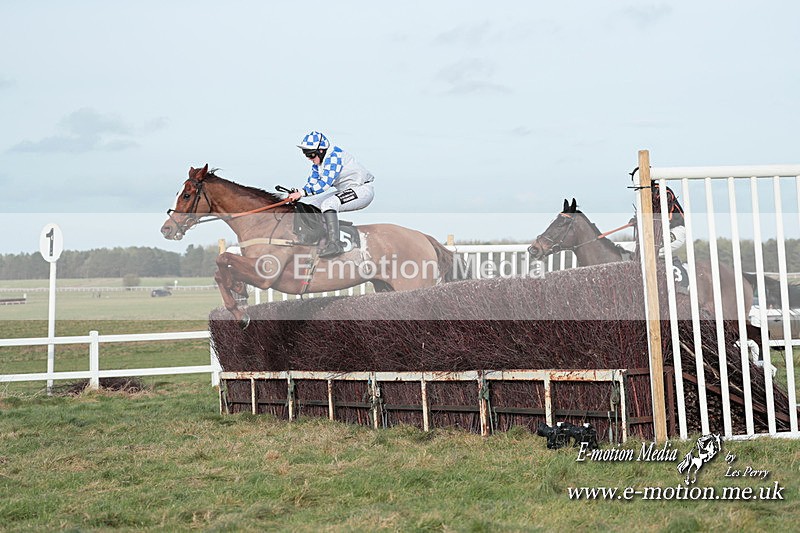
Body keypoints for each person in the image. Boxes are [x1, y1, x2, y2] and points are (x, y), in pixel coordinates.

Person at [286, 131, 375, 258]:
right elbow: (312, 182)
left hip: (361, 190)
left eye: (311, 155)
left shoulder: (334, 156)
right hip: (346, 190)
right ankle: (320, 236)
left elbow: (324, 184)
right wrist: (299, 192)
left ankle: (335, 244)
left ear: (321, 150)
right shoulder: (318, 164)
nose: (309, 158)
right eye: (306, 155)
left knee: (329, 204)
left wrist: (302, 193)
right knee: (312, 205)